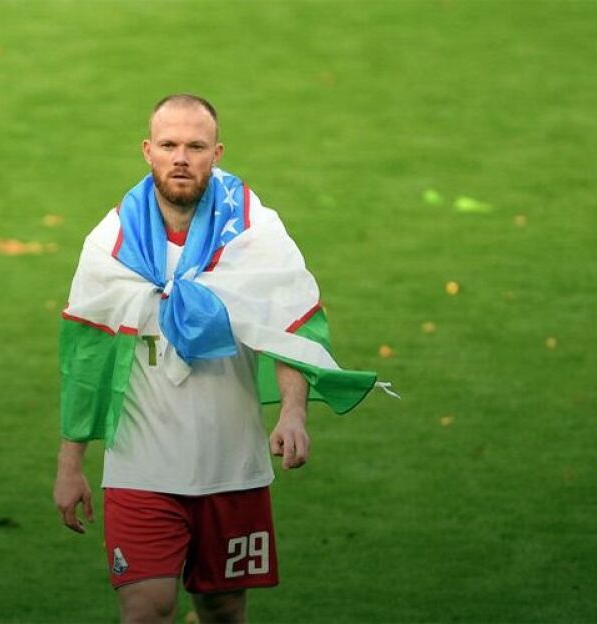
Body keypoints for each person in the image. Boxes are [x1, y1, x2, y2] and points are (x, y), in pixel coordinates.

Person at [54, 94, 381, 623]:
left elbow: (288, 324)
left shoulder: (254, 234)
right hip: (140, 467)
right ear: (147, 151)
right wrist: (70, 466)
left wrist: (293, 412)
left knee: (224, 609)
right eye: (169, 145)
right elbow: (86, 360)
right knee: (146, 609)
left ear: (217, 152)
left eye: (195, 146)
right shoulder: (110, 244)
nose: (181, 158)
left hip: (232, 468)